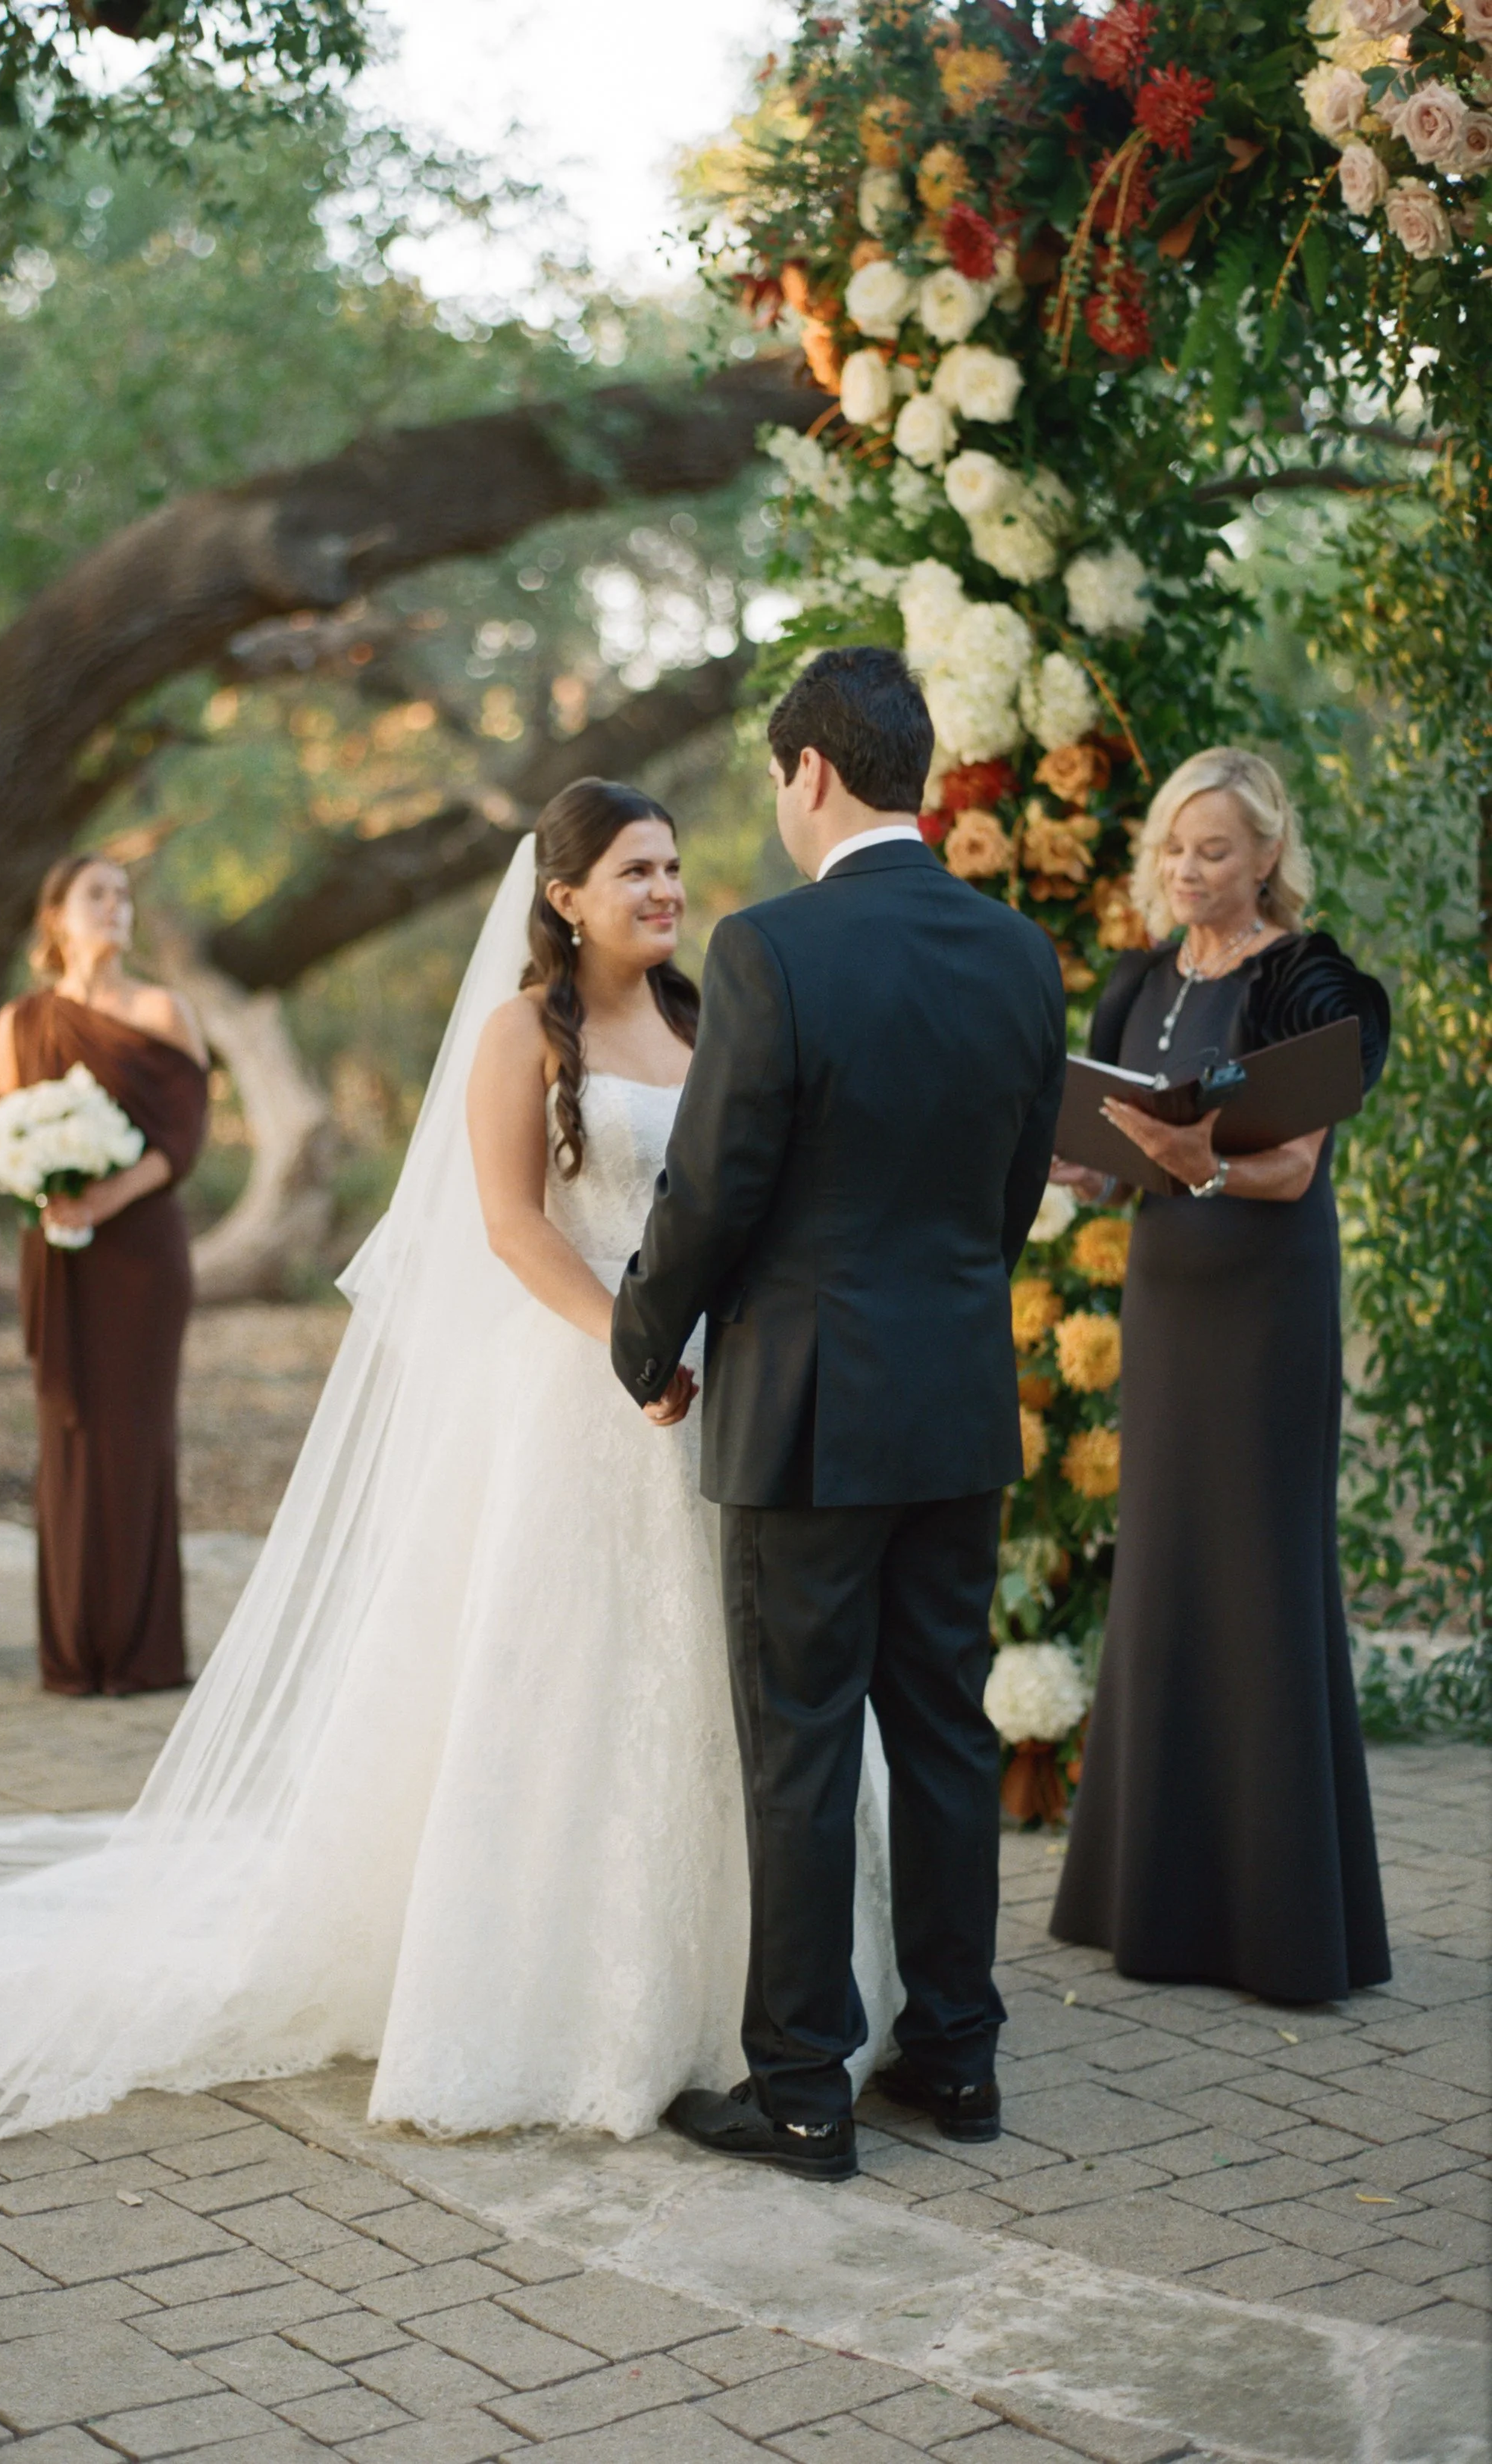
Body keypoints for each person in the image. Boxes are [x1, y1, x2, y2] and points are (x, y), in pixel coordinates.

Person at [0, 783, 897, 2215]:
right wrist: (630, 1348)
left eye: (672, 865)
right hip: (583, 1392)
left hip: (711, 1404)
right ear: (567, 895)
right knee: (565, 1685)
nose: (667, 888)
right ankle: (556, 2001)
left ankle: (735, 2009)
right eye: (636, 869)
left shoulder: (709, 1021)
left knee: (714, 1700)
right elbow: (513, 1227)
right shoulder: (519, 1034)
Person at [613, 645, 1068, 2169]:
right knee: (939, 1734)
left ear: (807, 772)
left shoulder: (771, 951)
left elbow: (712, 1186)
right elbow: (1005, 1200)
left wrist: (641, 1339)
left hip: (804, 1414)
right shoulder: (1016, 953)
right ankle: (952, 2060)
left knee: (799, 1743)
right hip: (951, 1400)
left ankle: (801, 2084)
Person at [1047, 747, 1392, 2004]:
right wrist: (1081, 1164)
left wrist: (1188, 1162)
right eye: (1176, 848)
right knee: (1171, 1564)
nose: (1191, 870)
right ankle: (1154, 1898)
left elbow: (1290, 1165)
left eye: (1217, 850)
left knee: (1258, 1573)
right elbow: (1119, 1145)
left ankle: (1283, 1926)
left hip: (1266, 1299)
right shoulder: (1139, 978)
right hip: (1168, 1298)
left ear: (1266, 856)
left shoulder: (1303, 977)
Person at [0, 856, 211, 1696]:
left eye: (123, 897)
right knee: (67, 1432)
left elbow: (184, 1140)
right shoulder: (19, 1022)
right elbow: (10, 1137)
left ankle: (142, 1652)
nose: (116, 908)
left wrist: (108, 1195)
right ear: (57, 917)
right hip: (59, 1250)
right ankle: (73, 1648)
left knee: (135, 1439)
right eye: (97, 896)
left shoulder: (163, 1010)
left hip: (142, 1254)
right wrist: (50, 1198)